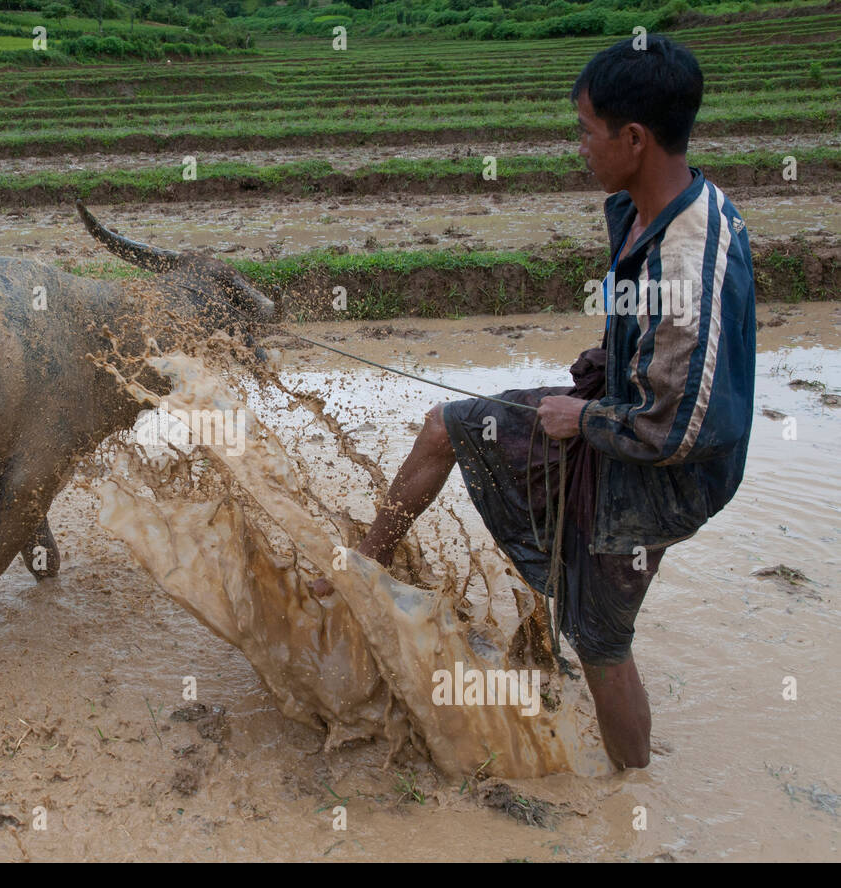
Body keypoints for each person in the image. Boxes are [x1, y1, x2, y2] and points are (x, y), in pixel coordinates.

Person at [311, 35, 757, 770]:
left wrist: (581, 417)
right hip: (626, 414)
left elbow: (677, 427)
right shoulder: (645, 208)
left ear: (635, 139)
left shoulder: (686, 261)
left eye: (587, 129)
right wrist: (606, 368)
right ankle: (365, 564)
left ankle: (632, 797)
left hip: (668, 471)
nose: (578, 145)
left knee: (603, 644)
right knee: (446, 425)